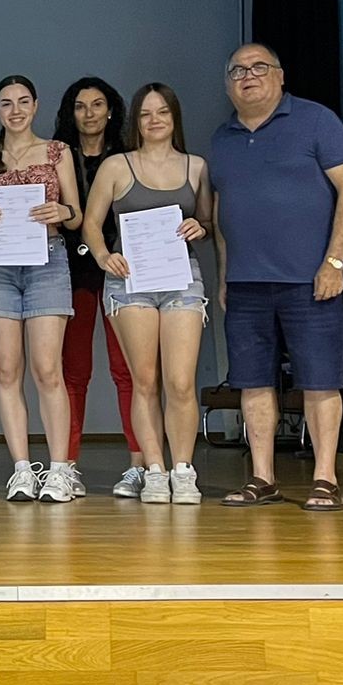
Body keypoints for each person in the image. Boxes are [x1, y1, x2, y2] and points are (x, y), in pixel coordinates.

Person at [211, 43, 343, 511]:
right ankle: (263, 478)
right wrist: (224, 275)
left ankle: (325, 479)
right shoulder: (222, 138)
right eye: (237, 70)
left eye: (259, 67)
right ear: (228, 85)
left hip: (310, 280)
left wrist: (335, 262)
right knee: (252, 382)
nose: (248, 76)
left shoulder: (317, 121)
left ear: (280, 76)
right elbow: (221, 213)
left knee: (320, 380)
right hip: (245, 284)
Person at [83, 83, 215, 505]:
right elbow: (90, 224)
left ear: (174, 118)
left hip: (180, 278)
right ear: (135, 122)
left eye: (162, 112)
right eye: (145, 113)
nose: (154, 120)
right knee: (144, 380)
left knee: (180, 381)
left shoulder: (196, 167)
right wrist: (103, 256)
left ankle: (183, 470)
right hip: (130, 281)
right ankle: (154, 470)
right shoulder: (117, 166)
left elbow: (207, 222)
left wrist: (200, 228)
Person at [0, 75, 83, 504]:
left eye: (23, 101)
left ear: (35, 106)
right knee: (5, 370)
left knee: (47, 369)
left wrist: (61, 210)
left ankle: (59, 469)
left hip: (47, 260)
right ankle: (21, 468)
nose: (15, 110)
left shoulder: (57, 152)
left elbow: (76, 215)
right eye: (6, 103)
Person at [55, 77, 146, 495]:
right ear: (69, 113)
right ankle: (67, 466)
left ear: (111, 111)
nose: (89, 113)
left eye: (97, 104)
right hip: (71, 271)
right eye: (80, 106)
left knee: (127, 369)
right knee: (73, 372)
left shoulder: (129, 156)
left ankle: (140, 463)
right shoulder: (57, 157)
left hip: (121, 268)